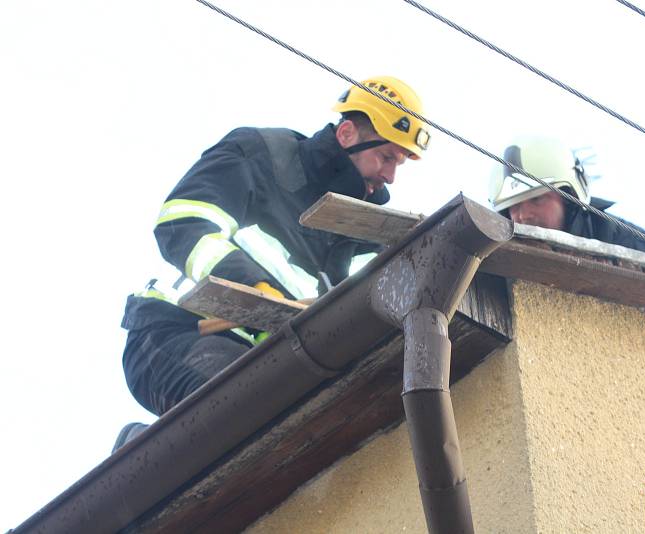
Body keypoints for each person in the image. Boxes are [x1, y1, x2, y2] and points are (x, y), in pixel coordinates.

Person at [114, 76, 430, 450]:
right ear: (347, 134)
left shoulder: (365, 228)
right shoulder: (261, 155)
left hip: (268, 359)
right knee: (244, 406)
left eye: (399, 163)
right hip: (178, 331)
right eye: (387, 157)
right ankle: (136, 457)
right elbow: (182, 223)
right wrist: (253, 288)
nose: (391, 175)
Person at [488, 136, 645, 257]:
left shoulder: (632, 245)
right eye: (515, 206)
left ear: (569, 200)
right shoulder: (498, 260)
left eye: (537, 199)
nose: (523, 216)